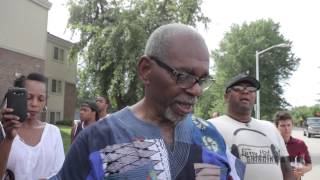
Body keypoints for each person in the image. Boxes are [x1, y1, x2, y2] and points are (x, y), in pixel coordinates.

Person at [49, 23, 234, 180]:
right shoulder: (98, 139)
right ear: (146, 70)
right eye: (184, 76)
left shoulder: (210, 137)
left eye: (202, 80)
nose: (197, 90)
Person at [208, 73, 294, 180]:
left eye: (251, 89)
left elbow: (286, 168)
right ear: (226, 97)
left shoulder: (270, 127)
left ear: (255, 98)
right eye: (238, 88)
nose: (245, 91)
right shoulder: (210, 128)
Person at [0, 73, 65, 180]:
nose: (34, 104)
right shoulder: (3, 129)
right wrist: (8, 139)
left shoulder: (54, 133)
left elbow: (60, 173)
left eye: (41, 99)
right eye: (28, 97)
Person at [274, 111, 312, 180]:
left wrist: (303, 169)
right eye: (283, 125)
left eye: (289, 125)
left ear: (292, 126)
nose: (286, 128)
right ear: (277, 127)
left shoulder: (300, 144)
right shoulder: (272, 144)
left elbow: (309, 165)